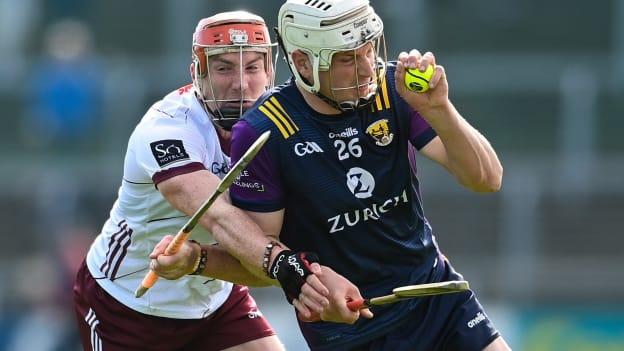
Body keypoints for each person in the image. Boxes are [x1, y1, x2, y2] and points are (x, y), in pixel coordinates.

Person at [224, 0, 511, 350]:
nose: (365, 69)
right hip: (352, 328)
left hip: (436, 296)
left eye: (368, 49)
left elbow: (486, 179)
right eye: (346, 58)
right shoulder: (264, 131)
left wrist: (439, 109)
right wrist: (309, 281)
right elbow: (259, 258)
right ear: (303, 62)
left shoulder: (394, 88)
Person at [73, 11, 366, 351]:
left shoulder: (287, 125)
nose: (241, 83)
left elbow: (269, 242)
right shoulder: (167, 129)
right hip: (126, 304)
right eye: (224, 68)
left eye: (252, 67)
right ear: (198, 73)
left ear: (270, 71)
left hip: (215, 299)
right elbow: (218, 217)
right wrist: (291, 270)